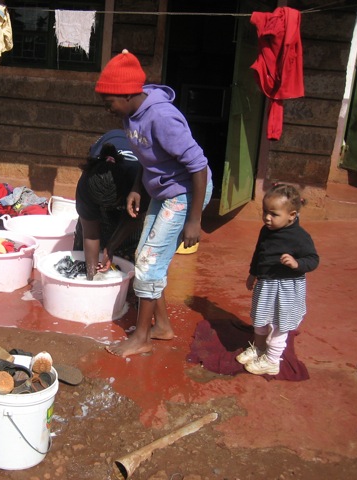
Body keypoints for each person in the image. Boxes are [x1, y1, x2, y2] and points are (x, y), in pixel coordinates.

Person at [95, 49, 213, 357]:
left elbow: (198, 166)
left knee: (148, 263)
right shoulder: (129, 115)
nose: (107, 109)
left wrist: (194, 220)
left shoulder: (162, 117)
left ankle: (142, 337)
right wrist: (137, 187)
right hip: (163, 192)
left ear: (127, 94)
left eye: (109, 102)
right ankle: (161, 326)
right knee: (145, 257)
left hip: (186, 193)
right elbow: (148, 156)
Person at [235, 183, 319, 375]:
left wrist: (297, 263)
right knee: (260, 319)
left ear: (292, 215)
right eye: (265, 211)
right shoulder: (266, 231)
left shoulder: (299, 237)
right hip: (266, 284)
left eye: (273, 214)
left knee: (279, 324)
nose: (267, 217)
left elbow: (313, 259)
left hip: (287, 289)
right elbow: (259, 253)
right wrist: (253, 273)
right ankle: (259, 348)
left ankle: (272, 360)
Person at [74, 129, 150, 280]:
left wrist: (111, 246)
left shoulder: (138, 181)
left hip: (131, 179)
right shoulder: (86, 184)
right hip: (110, 145)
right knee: (82, 259)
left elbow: (135, 217)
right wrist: (91, 277)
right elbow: (91, 234)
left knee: (131, 259)